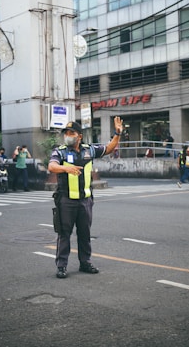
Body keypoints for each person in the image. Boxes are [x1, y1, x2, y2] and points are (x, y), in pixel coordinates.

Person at [48, 116, 123, 279]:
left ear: (79, 136)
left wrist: (117, 133)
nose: (67, 135)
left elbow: (109, 149)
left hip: (85, 201)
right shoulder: (59, 151)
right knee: (64, 234)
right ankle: (61, 266)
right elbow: (52, 166)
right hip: (66, 200)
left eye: (71, 132)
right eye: (66, 133)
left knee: (84, 234)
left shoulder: (89, 150)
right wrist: (66, 169)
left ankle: (85, 263)